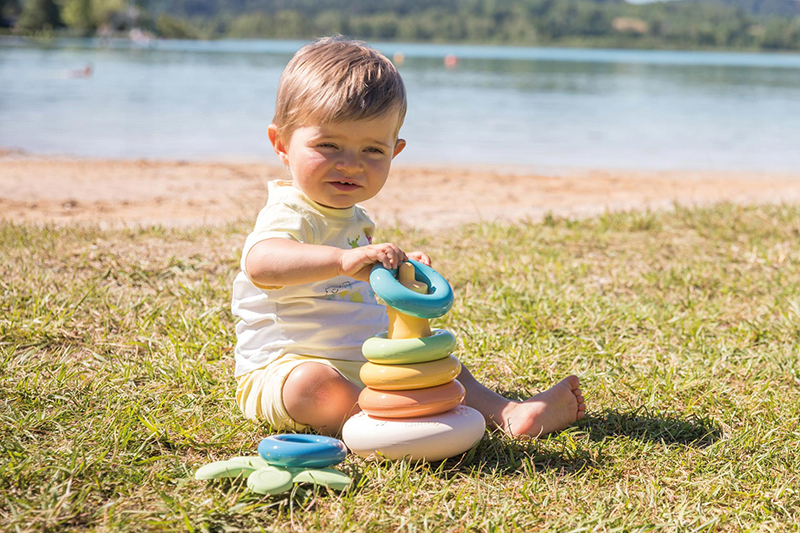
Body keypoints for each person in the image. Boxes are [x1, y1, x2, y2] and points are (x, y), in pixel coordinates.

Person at [232, 37, 585, 438]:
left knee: (436, 360)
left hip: (364, 361)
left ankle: (508, 413)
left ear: (395, 152)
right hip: (286, 368)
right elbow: (262, 262)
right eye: (328, 145)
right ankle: (384, 423)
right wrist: (342, 260)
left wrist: (400, 274)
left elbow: (361, 283)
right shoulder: (289, 211)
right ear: (281, 144)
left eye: (372, 151)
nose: (351, 164)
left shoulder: (355, 218)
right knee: (311, 387)